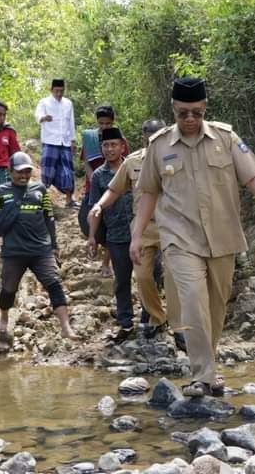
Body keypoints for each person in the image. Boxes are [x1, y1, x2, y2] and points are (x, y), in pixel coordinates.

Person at [130, 78, 255, 397]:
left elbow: (253, 178)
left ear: (204, 109)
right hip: (179, 239)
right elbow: (148, 193)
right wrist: (137, 236)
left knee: (215, 308)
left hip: (222, 237)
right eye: (182, 114)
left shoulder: (226, 138)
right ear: (173, 110)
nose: (189, 120)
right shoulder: (159, 145)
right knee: (192, 301)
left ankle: (209, 367)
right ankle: (202, 375)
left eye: (196, 113)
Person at [89, 119, 185, 349]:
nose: (153, 138)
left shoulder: (180, 157)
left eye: (158, 134)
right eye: (148, 135)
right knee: (142, 277)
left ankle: (180, 326)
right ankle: (157, 318)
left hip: (173, 226)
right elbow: (114, 188)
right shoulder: (133, 162)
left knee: (173, 277)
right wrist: (99, 206)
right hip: (143, 228)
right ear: (143, 137)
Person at [0, 151, 80, 342]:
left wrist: (54, 245)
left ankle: (66, 327)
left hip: (41, 249)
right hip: (14, 251)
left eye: (27, 172)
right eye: (19, 172)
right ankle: (4, 317)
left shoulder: (40, 190)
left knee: (54, 283)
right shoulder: (0, 192)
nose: (23, 176)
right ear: (10, 171)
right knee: (8, 288)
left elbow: (49, 219)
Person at [87, 128, 135, 343]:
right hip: (116, 234)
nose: (109, 149)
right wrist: (92, 237)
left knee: (150, 276)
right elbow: (95, 209)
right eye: (105, 145)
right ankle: (126, 322)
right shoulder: (98, 176)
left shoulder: (135, 167)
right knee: (122, 280)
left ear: (122, 146)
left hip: (141, 232)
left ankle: (150, 319)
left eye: (113, 145)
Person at [78, 105, 131, 277]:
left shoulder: (120, 140)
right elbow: (86, 161)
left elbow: (128, 164)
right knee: (90, 221)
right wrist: (94, 176)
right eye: (101, 123)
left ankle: (107, 262)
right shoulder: (90, 138)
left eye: (108, 123)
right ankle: (97, 244)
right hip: (95, 184)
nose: (104, 127)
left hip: (117, 188)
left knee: (114, 225)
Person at [35, 79, 78, 208]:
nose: (59, 93)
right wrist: (43, 118)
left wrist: (73, 140)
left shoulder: (68, 103)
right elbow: (38, 115)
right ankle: (44, 199)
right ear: (51, 90)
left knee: (68, 171)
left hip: (65, 141)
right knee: (48, 171)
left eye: (61, 91)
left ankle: (69, 200)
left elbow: (71, 123)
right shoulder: (44, 102)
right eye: (56, 91)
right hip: (50, 140)